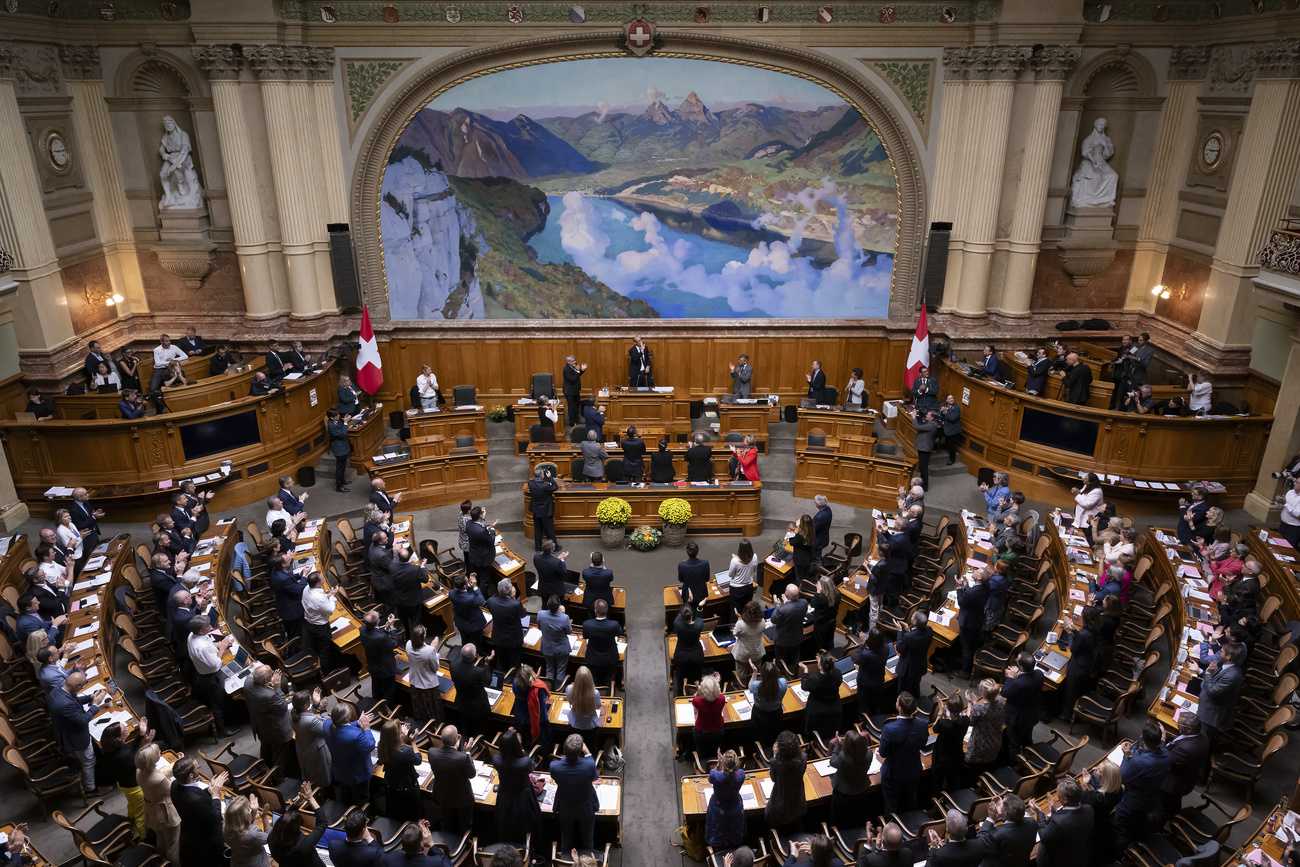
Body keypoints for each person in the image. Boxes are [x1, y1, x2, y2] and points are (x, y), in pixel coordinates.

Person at [1114, 723, 1171, 850]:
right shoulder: (1167, 754)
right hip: (1152, 798)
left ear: (1141, 737)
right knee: (1138, 822)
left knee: (1121, 832)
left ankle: (1119, 856)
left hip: (1131, 803)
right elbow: (1162, 745)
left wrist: (1127, 756)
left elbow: (1121, 777)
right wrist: (1162, 737)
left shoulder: (1138, 762)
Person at [1154, 711, 1210, 829]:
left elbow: (1165, 758)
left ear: (1189, 729)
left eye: (1179, 725)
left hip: (1172, 785)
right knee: (1174, 803)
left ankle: (1157, 829)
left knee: (1161, 809)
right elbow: (1179, 740)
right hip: (1188, 777)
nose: (1177, 725)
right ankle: (1173, 813)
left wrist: (1163, 740)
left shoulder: (1185, 749)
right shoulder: (1201, 733)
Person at [172, 756, 229, 867]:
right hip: (208, 841)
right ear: (191, 775)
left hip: (191, 832)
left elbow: (193, 794)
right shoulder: (197, 800)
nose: (199, 767)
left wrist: (209, 790)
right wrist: (216, 796)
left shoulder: (174, 785)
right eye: (197, 767)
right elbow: (215, 819)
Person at [100, 718, 153, 837]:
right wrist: (148, 745)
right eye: (124, 728)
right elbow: (140, 767)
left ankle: (129, 821)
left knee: (132, 804)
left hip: (123, 784)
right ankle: (143, 839)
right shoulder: (124, 755)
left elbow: (130, 749)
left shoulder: (112, 749)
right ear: (118, 738)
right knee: (141, 815)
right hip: (134, 788)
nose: (127, 727)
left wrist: (141, 735)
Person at [878, 691, 928, 815]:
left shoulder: (889, 728)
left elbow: (883, 753)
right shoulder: (923, 724)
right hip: (913, 770)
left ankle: (891, 832)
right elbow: (922, 744)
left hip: (893, 773)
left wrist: (884, 739)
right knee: (910, 801)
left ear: (899, 708)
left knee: (891, 806)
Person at [492, 728, 544, 844]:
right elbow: (531, 768)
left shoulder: (496, 759)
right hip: (523, 797)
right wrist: (520, 747)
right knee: (526, 824)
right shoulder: (524, 762)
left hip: (505, 796)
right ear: (516, 745)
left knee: (506, 824)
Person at [245, 665, 298, 778]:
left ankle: (264, 767)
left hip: (261, 725)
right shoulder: (270, 696)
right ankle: (278, 778)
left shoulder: (248, 681)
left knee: (266, 748)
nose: (274, 673)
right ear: (265, 680)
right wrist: (278, 687)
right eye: (271, 674)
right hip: (276, 731)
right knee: (280, 756)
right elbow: (282, 706)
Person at [551, 733, 600, 850]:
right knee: (588, 838)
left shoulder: (554, 766)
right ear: (580, 751)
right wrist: (587, 752)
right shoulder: (589, 765)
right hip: (585, 807)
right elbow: (594, 778)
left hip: (565, 807)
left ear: (564, 750)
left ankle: (564, 857)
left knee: (566, 837)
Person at [187, 617, 235, 736]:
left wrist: (219, 644)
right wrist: (223, 648)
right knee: (217, 704)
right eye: (207, 626)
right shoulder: (202, 647)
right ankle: (221, 730)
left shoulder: (191, 636)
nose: (210, 626)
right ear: (200, 631)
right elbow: (216, 664)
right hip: (211, 677)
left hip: (201, 674)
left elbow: (208, 644)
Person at [1032, 776, 1094, 867]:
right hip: (1077, 855)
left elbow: (1044, 837)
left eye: (1057, 792)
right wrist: (1054, 813)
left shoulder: (1058, 821)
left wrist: (1039, 813)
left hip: (1056, 860)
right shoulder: (1089, 809)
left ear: (1065, 800)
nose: (1056, 794)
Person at [136, 742, 181, 863]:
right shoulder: (159, 780)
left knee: (160, 840)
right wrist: (181, 768)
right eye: (158, 752)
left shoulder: (139, 772)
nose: (160, 753)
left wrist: (176, 765)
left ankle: (160, 861)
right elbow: (174, 788)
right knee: (173, 848)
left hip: (151, 812)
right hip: (166, 815)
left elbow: (160, 775)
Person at [326, 704, 376, 807]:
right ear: (346, 717)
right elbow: (370, 746)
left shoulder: (327, 725)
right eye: (350, 712)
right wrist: (366, 728)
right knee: (361, 799)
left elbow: (343, 728)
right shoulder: (355, 736)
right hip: (356, 775)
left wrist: (358, 722)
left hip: (340, 771)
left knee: (345, 797)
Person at [429, 724, 476, 833]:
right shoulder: (463, 758)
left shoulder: (432, 752)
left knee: (447, 821)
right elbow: (471, 774)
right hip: (462, 799)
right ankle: (465, 845)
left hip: (443, 795)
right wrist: (467, 752)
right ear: (458, 737)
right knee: (466, 824)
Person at [1195, 640, 1244, 740]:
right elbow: (1216, 681)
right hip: (1205, 705)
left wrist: (1208, 673)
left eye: (1221, 651)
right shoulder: (1228, 665)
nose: (1219, 653)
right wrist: (1201, 671)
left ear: (1228, 656)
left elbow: (1212, 691)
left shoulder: (1232, 675)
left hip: (1209, 715)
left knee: (1200, 739)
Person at [376, 720, 424, 822]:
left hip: (391, 784)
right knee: (412, 814)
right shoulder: (406, 752)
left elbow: (396, 748)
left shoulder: (382, 744)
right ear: (396, 736)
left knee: (396, 811)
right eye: (399, 730)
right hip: (407, 786)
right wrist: (413, 742)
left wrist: (402, 738)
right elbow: (418, 760)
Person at [1059, 605, 1099, 720]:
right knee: (1076, 690)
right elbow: (1083, 640)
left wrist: (1069, 632)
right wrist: (1074, 630)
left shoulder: (1084, 634)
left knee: (1070, 692)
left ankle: (1066, 715)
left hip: (1077, 666)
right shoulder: (1094, 629)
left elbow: (1074, 649)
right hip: (1086, 663)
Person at [1001, 652, 1044, 756]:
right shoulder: (1039, 674)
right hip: (1031, 714)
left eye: (1017, 661)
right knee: (1027, 738)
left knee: (1014, 744)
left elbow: (1004, 692)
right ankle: (1029, 757)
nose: (1015, 661)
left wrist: (1010, 677)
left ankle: (1014, 767)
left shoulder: (1018, 683)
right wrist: (1016, 676)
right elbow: (1025, 681)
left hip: (1017, 719)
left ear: (1021, 666)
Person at [765, 730, 808, 833]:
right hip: (798, 801)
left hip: (780, 806)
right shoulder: (803, 758)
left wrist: (775, 755)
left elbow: (774, 779)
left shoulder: (776, 763)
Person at [292, 689, 333, 790]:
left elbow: (307, 716)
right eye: (309, 701)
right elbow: (325, 728)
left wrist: (316, 704)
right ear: (306, 705)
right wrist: (323, 710)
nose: (311, 701)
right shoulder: (311, 721)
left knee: (310, 771)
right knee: (322, 772)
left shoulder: (293, 714)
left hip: (303, 747)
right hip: (316, 750)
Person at [449, 643, 493, 737]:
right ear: (474, 657)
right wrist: (486, 664)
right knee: (479, 729)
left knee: (465, 727)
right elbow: (488, 682)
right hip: (478, 708)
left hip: (462, 704)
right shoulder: (479, 672)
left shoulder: (453, 666)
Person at [963, 680, 1005, 778]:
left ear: (983, 692)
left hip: (979, 748)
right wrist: (976, 705)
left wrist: (970, 705)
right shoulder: (1000, 701)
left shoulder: (978, 708)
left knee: (972, 773)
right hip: (994, 743)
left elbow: (970, 722)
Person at [706, 748, 747, 849]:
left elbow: (710, 779)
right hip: (735, 807)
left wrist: (718, 764)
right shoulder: (741, 774)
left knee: (717, 828)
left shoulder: (715, 775)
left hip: (718, 807)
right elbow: (731, 774)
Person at [360, 610, 401, 707]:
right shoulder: (381, 637)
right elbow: (394, 643)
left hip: (373, 666)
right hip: (385, 668)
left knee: (376, 689)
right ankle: (389, 711)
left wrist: (386, 627)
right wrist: (392, 628)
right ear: (377, 621)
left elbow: (376, 633)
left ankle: (375, 706)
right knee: (389, 691)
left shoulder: (362, 630)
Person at [956, 567, 991, 677]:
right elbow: (972, 598)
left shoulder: (973, 593)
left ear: (979, 577)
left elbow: (962, 602)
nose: (974, 571)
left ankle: (965, 671)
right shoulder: (986, 586)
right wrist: (966, 586)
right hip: (977, 619)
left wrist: (959, 587)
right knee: (972, 643)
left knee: (966, 647)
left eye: (976, 571)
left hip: (968, 622)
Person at [405, 625, 444, 724]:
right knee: (431, 709)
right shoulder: (429, 651)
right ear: (423, 637)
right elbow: (436, 668)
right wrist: (435, 649)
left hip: (414, 681)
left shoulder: (408, 644)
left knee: (419, 706)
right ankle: (435, 725)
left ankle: (421, 723)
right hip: (428, 684)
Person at [487, 577, 526, 674]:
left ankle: (501, 682)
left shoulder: (491, 601)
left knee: (500, 661)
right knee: (514, 663)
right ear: (509, 591)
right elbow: (522, 614)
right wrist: (513, 598)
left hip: (498, 638)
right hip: (513, 639)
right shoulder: (515, 604)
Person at [800, 652, 843, 740]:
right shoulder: (837, 673)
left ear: (820, 666)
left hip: (816, 712)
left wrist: (805, 671)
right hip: (835, 708)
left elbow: (804, 686)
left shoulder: (814, 679)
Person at [510, 665, 552, 753]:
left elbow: (526, 687)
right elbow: (545, 700)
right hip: (537, 720)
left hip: (521, 718)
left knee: (525, 741)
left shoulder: (515, 684)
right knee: (543, 744)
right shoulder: (538, 689)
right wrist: (537, 679)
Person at [390, 544, 430, 636]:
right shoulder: (415, 569)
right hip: (414, 601)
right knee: (416, 622)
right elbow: (425, 579)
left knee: (404, 621)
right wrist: (423, 566)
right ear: (410, 559)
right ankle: (417, 638)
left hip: (400, 601)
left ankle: (407, 636)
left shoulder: (393, 568)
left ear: (398, 559)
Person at [582, 599, 622, 687]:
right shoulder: (614, 624)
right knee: (609, 680)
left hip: (593, 658)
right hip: (610, 658)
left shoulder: (587, 624)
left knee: (593, 680)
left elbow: (585, 637)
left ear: (595, 611)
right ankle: (609, 692)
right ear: (607, 610)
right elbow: (619, 633)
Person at [223, 794, 270, 867]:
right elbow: (271, 838)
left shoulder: (225, 828)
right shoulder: (253, 834)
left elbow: (241, 824)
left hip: (237, 862)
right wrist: (264, 817)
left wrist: (254, 811)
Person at [748, 660, 788, 747]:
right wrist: (774, 671)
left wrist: (754, 672)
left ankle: (760, 748)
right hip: (776, 715)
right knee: (774, 735)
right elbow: (777, 680)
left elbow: (750, 687)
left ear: (762, 675)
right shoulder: (783, 683)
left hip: (759, 716)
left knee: (759, 736)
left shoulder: (756, 685)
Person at [894, 610, 932, 700]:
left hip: (907, 669)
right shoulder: (929, 630)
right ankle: (916, 701)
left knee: (903, 692)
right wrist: (909, 630)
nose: (911, 617)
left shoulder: (908, 637)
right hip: (919, 666)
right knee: (915, 686)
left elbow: (899, 648)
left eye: (912, 617)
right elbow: (917, 639)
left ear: (914, 622)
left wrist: (900, 631)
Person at [566, 666, 606, 751]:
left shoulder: (569, 689)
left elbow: (570, 701)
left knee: (575, 748)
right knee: (591, 748)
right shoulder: (595, 693)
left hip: (575, 724)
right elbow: (598, 706)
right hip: (591, 727)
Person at [271, 554, 308, 644]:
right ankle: (296, 655)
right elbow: (298, 590)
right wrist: (304, 576)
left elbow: (289, 577)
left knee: (294, 632)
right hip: (291, 612)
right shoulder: (282, 578)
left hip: (284, 604)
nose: (290, 560)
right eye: (288, 560)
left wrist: (300, 574)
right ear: (283, 564)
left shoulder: (277, 570)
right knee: (295, 636)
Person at [772, 583, 809, 670]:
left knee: (781, 661)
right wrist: (787, 603)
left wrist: (778, 606)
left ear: (786, 595)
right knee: (795, 660)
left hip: (783, 641)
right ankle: (795, 673)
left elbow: (774, 620)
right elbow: (793, 611)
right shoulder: (804, 603)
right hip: (797, 638)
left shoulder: (782, 609)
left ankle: (781, 676)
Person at [539, 595, 573, 682]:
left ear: (547, 604)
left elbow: (539, 627)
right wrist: (563, 613)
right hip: (561, 649)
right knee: (560, 672)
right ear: (559, 606)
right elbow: (569, 631)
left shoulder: (541, 614)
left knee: (549, 670)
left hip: (547, 647)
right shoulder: (564, 617)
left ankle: (548, 690)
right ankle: (558, 690)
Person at [671, 603, 703, 694]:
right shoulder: (698, 626)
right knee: (696, 677)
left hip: (681, 655)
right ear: (692, 614)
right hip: (696, 655)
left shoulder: (677, 624)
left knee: (680, 677)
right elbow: (700, 616)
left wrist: (688, 602)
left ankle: (681, 693)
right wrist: (699, 606)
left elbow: (679, 615)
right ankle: (696, 692)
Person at [724, 538, 758, 621]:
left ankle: (734, 629)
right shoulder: (754, 557)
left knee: (735, 611)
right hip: (749, 587)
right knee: (747, 609)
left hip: (736, 589)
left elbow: (730, 575)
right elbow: (754, 570)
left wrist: (734, 558)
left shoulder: (735, 561)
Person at [732, 599, 765, 682]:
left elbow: (735, 633)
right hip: (757, 652)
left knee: (742, 677)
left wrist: (739, 619)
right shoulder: (762, 622)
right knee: (755, 675)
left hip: (743, 654)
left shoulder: (740, 624)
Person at [465, 505, 498, 579]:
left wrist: (488, 527)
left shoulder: (468, 523)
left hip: (474, 554)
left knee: (476, 575)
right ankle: (483, 590)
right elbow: (491, 541)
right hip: (483, 558)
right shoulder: (482, 531)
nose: (484, 513)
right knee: (484, 579)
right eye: (482, 513)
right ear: (480, 516)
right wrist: (492, 529)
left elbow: (477, 531)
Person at [1072, 473, 1105, 544]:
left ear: (1090, 482)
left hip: (1087, 520)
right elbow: (1082, 493)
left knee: (1083, 538)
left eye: (1086, 479)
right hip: (1079, 516)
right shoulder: (1087, 486)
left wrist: (1077, 494)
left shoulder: (1097, 492)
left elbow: (1087, 504)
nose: (1083, 479)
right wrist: (1078, 492)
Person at [910, 408, 938, 489]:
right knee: (922, 467)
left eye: (928, 415)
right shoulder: (930, 422)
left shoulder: (932, 425)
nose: (926, 415)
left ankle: (925, 486)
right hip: (923, 447)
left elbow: (917, 426)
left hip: (925, 448)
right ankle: (922, 483)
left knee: (923, 468)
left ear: (932, 417)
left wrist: (914, 417)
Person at [534, 538, 569, 604]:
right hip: (556, 591)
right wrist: (562, 560)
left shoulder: (536, 558)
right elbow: (564, 573)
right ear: (552, 550)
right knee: (557, 609)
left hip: (543, 589)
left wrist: (557, 559)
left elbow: (548, 564)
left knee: (544, 605)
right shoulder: (557, 563)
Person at [810, 575, 839, 652]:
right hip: (832, 622)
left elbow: (813, 604)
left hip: (821, 625)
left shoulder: (820, 598)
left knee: (820, 644)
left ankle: (821, 659)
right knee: (829, 641)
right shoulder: (838, 594)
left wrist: (817, 592)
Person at [327, 409, 352, 492]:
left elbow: (342, 428)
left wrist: (345, 420)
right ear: (331, 417)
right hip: (339, 449)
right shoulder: (331, 425)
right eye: (337, 415)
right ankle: (339, 486)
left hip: (343, 446)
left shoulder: (336, 421)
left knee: (343, 465)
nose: (338, 416)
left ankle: (342, 480)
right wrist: (345, 423)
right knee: (340, 468)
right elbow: (342, 433)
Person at [789, 514, 815, 587]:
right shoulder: (812, 530)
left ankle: (801, 592)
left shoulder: (800, 536)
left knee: (799, 578)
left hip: (800, 560)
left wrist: (791, 531)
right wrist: (799, 527)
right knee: (805, 574)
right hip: (808, 557)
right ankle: (805, 584)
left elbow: (792, 542)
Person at [562, 354, 587, 426]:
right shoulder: (566, 369)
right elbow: (572, 379)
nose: (574, 362)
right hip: (569, 392)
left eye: (575, 360)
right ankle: (572, 422)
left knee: (576, 406)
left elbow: (578, 374)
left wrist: (582, 369)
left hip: (575, 390)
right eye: (572, 361)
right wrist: (578, 371)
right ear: (568, 362)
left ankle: (577, 419)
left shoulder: (574, 365)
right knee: (571, 407)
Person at [1275, 476, 1300, 549]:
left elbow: (1298, 514)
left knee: (1288, 550)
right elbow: (1281, 507)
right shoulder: (1290, 492)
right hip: (1283, 525)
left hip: (1293, 530)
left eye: (1297, 482)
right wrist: (1278, 502)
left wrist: (1285, 503)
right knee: (1277, 546)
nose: (1294, 483)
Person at [938, 394, 962, 465]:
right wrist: (941, 412)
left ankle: (952, 459)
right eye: (949, 399)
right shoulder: (944, 405)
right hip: (944, 426)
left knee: (951, 445)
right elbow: (940, 415)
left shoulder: (957, 408)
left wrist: (946, 412)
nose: (951, 400)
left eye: (952, 398)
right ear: (946, 400)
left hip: (953, 429)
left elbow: (952, 419)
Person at [810, 494, 833, 565]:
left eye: (815, 502)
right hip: (824, 538)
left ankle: (818, 570)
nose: (815, 504)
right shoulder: (828, 509)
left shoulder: (819, 517)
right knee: (818, 554)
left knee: (816, 557)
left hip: (818, 542)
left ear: (818, 505)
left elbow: (812, 530)